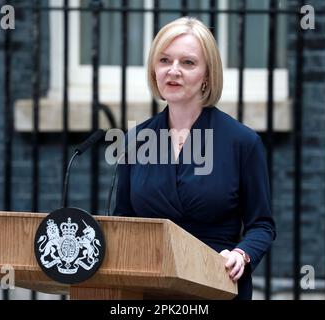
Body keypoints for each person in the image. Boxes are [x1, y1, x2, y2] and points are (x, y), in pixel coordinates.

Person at [113, 16, 276, 300]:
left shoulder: (242, 142)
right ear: (154, 70)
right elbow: (123, 222)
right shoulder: (136, 140)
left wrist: (242, 253)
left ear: (208, 75)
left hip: (215, 283)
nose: (173, 71)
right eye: (164, 60)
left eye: (188, 63)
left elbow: (262, 224)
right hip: (150, 289)